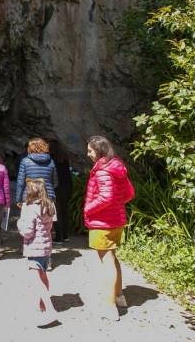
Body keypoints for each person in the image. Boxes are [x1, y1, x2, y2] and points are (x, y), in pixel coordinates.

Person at [83, 135, 135, 321]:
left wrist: (88, 208)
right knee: (112, 258)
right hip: (116, 221)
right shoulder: (116, 168)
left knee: (107, 262)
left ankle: (110, 306)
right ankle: (119, 296)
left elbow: (105, 197)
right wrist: (117, 206)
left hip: (102, 223)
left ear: (99, 151)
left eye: (90, 150)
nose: (88, 154)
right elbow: (129, 193)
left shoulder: (103, 171)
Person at [17, 178, 60, 326]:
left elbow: (27, 232)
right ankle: (42, 305)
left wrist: (19, 223)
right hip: (46, 247)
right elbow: (50, 225)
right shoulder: (49, 205)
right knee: (43, 275)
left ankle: (50, 309)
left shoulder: (31, 208)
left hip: (34, 247)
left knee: (36, 279)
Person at [15, 138, 57, 208]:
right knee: (46, 219)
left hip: (29, 197)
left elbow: (20, 183)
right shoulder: (51, 161)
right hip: (47, 198)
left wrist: (18, 199)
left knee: (29, 218)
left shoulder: (25, 161)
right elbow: (55, 182)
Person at [54, 157, 74, 243]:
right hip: (66, 188)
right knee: (64, 212)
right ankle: (65, 236)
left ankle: (58, 237)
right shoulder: (65, 160)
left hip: (56, 189)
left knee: (56, 213)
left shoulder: (52, 160)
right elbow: (68, 176)